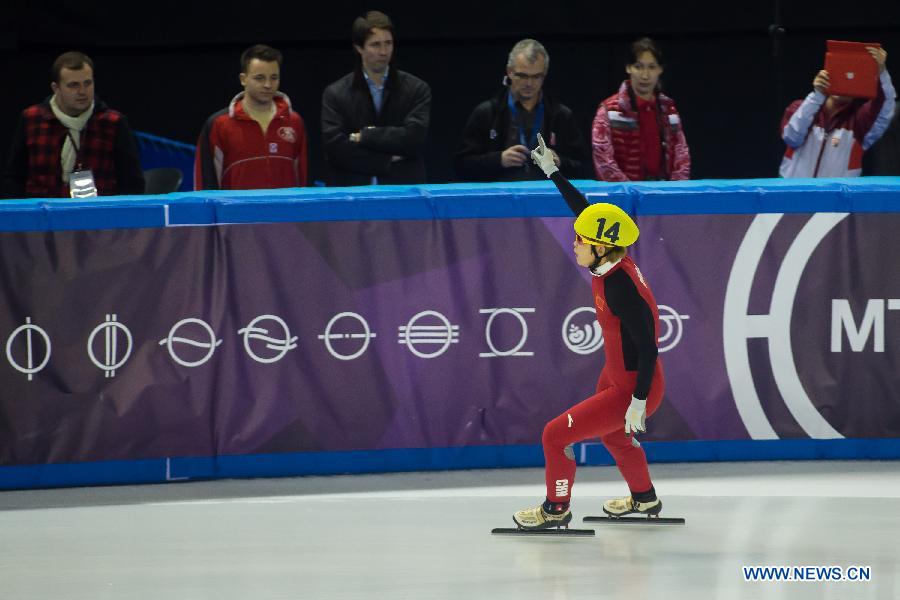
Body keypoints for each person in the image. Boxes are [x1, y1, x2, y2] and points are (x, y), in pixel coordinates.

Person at [511, 133, 666, 531]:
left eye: (582, 240)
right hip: (617, 374)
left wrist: (638, 401)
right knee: (613, 439)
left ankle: (555, 509)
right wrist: (554, 173)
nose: (574, 241)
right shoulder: (608, 260)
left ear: (600, 248)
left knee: (553, 436)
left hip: (632, 385)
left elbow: (648, 347)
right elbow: (585, 211)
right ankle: (645, 499)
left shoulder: (620, 286)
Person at [2, 51, 144, 199]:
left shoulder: (112, 122)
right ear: (56, 88)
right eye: (73, 85)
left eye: (87, 83)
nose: (82, 91)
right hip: (42, 215)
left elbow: (132, 183)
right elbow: (14, 177)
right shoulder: (32, 119)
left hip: (96, 215)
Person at [321, 10, 431, 186]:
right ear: (359, 48)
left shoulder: (417, 89)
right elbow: (336, 150)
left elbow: (413, 139)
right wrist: (386, 160)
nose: (384, 51)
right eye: (375, 45)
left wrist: (365, 136)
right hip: (353, 196)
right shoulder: (335, 93)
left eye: (388, 43)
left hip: (403, 194)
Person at [454, 39, 585, 181]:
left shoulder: (561, 115)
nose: (529, 83)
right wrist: (498, 160)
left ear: (544, 75)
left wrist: (559, 162)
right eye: (522, 76)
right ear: (509, 71)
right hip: (500, 198)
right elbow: (461, 165)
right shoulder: (487, 113)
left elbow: (582, 167)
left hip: (546, 197)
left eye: (536, 76)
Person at [194, 44, 308, 190]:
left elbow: (304, 179)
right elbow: (204, 182)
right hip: (235, 212)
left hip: (285, 212)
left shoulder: (294, 122)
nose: (268, 85)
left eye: (274, 78)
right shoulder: (219, 124)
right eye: (259, 78)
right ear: (243, 79)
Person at [780, 46, 894, 178]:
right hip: (794, 193)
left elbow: (885, 106)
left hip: (837, 196)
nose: (844, 81)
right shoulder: (800, 107)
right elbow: (791, 138)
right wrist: (817, 96)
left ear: (859, 86)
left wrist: (882, 73)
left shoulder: (859, 122)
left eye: (850, 79)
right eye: (840, 76)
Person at [591, 37, 690, 182]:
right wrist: (632, 192)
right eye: (638, 66)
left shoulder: (669, 110)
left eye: (651, 67)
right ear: (628, 68)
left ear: (660, 69)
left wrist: (673, 191)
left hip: (663, 194)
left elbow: (681, 155)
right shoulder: (609, 111)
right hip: (625, 197)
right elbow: (603, 160)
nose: (645, 75)